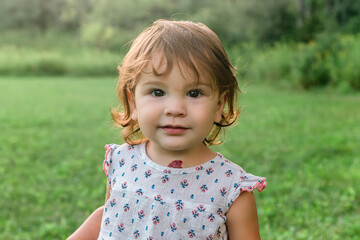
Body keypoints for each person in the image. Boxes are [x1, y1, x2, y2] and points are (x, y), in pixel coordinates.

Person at [68, 19, 267, 240]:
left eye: (194, 93)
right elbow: (108, 216)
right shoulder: (121, 161)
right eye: (157, 92)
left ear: (219, 105)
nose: (175, 109)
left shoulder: (230, 189)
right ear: (133, 102)